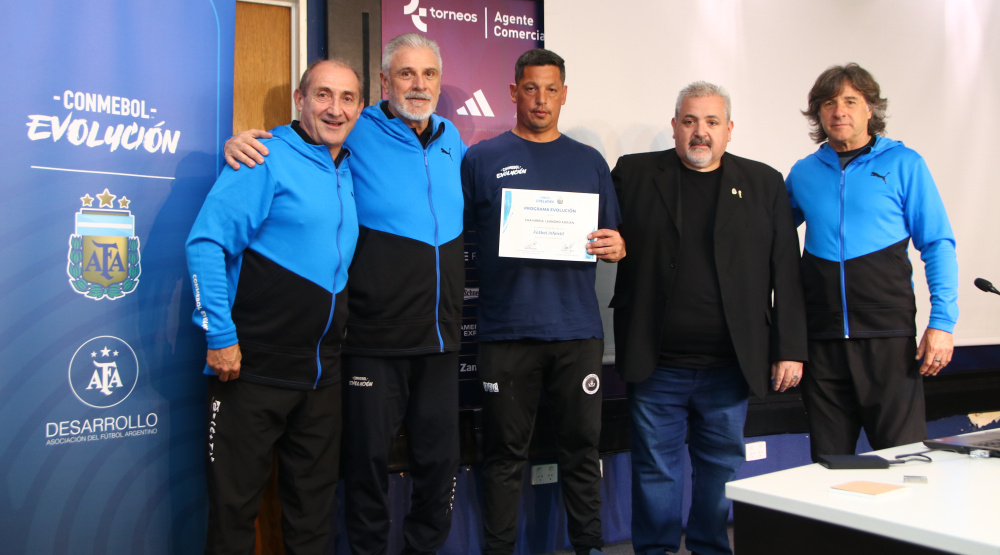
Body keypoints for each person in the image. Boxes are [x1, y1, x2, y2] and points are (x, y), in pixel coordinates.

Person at [224, 33, 466, 555]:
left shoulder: (453, 139)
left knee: (440, 463)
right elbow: (303, 144)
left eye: (428, 74)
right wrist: (241, 144)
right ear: (384, 81)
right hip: (371, 339)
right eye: (405, 73)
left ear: (439, 82)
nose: (418, 85)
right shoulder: (357, 129)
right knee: (365, 467)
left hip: (440, 340)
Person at [611, 81, 807, 555]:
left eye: (712, 122)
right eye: (690, 121)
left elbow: (786, 269)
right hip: (657, 362)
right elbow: (595, 225)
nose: (701, 132)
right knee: (655, 471)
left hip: (729, 366)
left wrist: (789, 348)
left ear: (729, 129)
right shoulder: (635, 174)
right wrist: (609, 240)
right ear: (675, 126)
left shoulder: (763, 183)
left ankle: (711, 549)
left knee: (720, 470)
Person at [187, 59, 361, 554]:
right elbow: (205, 244)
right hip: (251, 370)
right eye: (323, 95)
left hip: (321, 378)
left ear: (360, 109)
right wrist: (220, 336)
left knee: (313, 519)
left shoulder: (348, 166)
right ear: (299, 100)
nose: (335, 108)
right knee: (233, 516)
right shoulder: (263, 157)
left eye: (347, 98)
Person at [462, 48, 625, 555]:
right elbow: (456, 235)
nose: (540, 99)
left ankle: (589, 546)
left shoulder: (589, 162)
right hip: (505, 332)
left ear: (564, 94)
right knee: (503, 454)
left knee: (582, 450)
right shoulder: (481, 159)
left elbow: (611, 236)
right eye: (531, 88)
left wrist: (616, 245)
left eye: (551, 89)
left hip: (576, 332)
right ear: (514, 91)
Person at [786, 63, 958, 461]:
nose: (839, 112)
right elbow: (768, 240)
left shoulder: (905, 163)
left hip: (888, 339)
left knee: (904, 462)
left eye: (850, 101)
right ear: (818, 113)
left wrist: (942, 322)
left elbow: (937, 243)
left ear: (870, 109)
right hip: (822, 343)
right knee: (830, 467)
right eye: (829, 103)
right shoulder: (804, 172)